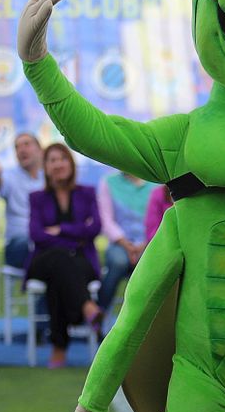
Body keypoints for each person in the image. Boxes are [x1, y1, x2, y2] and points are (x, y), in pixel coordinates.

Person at [25, 142, 101, 368]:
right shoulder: (37, 197)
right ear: (45, 167)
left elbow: (95, 228)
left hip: (81, 261)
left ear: (71, 163)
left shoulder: (87, 193)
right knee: (58, 257)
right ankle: (86, 308)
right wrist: (76, 234)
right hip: (44, 260)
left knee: (59, 276)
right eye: (52, 160)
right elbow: (36, 234)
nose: (58, 164)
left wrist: (60, 230)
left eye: (62, 159)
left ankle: (59, 347)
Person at [95, 168, 155, 320]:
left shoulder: (156, 183)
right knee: (118, 261)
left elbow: (159, 219)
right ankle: (99, 314)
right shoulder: (108, 182)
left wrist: (144, 243)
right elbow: (106, 220)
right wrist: (126, 244)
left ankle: (144, 320)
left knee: (149, 264)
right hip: (119, 244)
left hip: (149, 243)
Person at [0, 132, 47, 270]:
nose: (22, 150)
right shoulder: (8, 176)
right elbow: (0, 186)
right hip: (18, 245)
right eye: (17, 147)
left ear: (40, 150)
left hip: (45, 239)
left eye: (27, 144)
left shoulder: (50, 178)